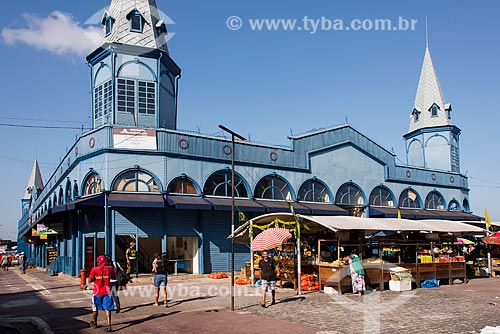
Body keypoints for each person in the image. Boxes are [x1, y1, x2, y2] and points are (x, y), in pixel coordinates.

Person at [88, 255, 116, 332]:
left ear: (98, 262)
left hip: (97, 292)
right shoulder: (110, 268)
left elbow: (89, 280)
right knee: (107, 308)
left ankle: (95, 323)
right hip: (107, 291)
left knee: (95, 308)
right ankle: (109, 325)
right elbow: (114, 277)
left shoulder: (94, 269)